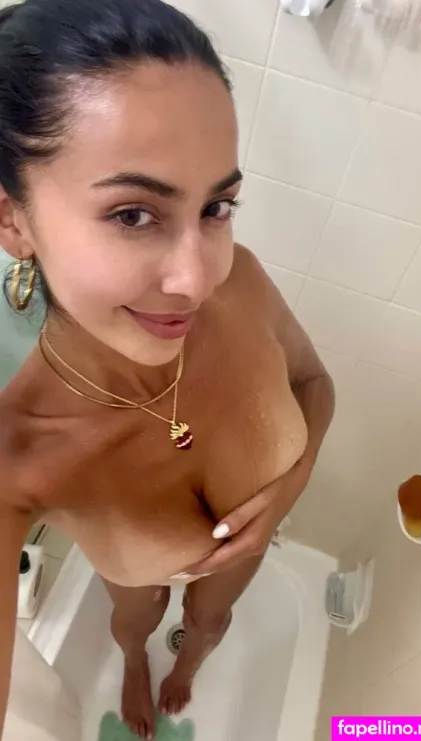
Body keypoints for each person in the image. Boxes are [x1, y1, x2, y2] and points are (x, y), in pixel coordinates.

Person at [0, 0, 335, 738]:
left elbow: (316, 384)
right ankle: (134, 664)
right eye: (132, 214)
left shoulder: (241, 282)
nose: (196, 278)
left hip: (238, 561)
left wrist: (287, 490)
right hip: (137, 582)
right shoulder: (17, 456)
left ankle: (185, 666)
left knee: (210, 620)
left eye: (217, 206)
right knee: (134, 620)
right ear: (12, 219)